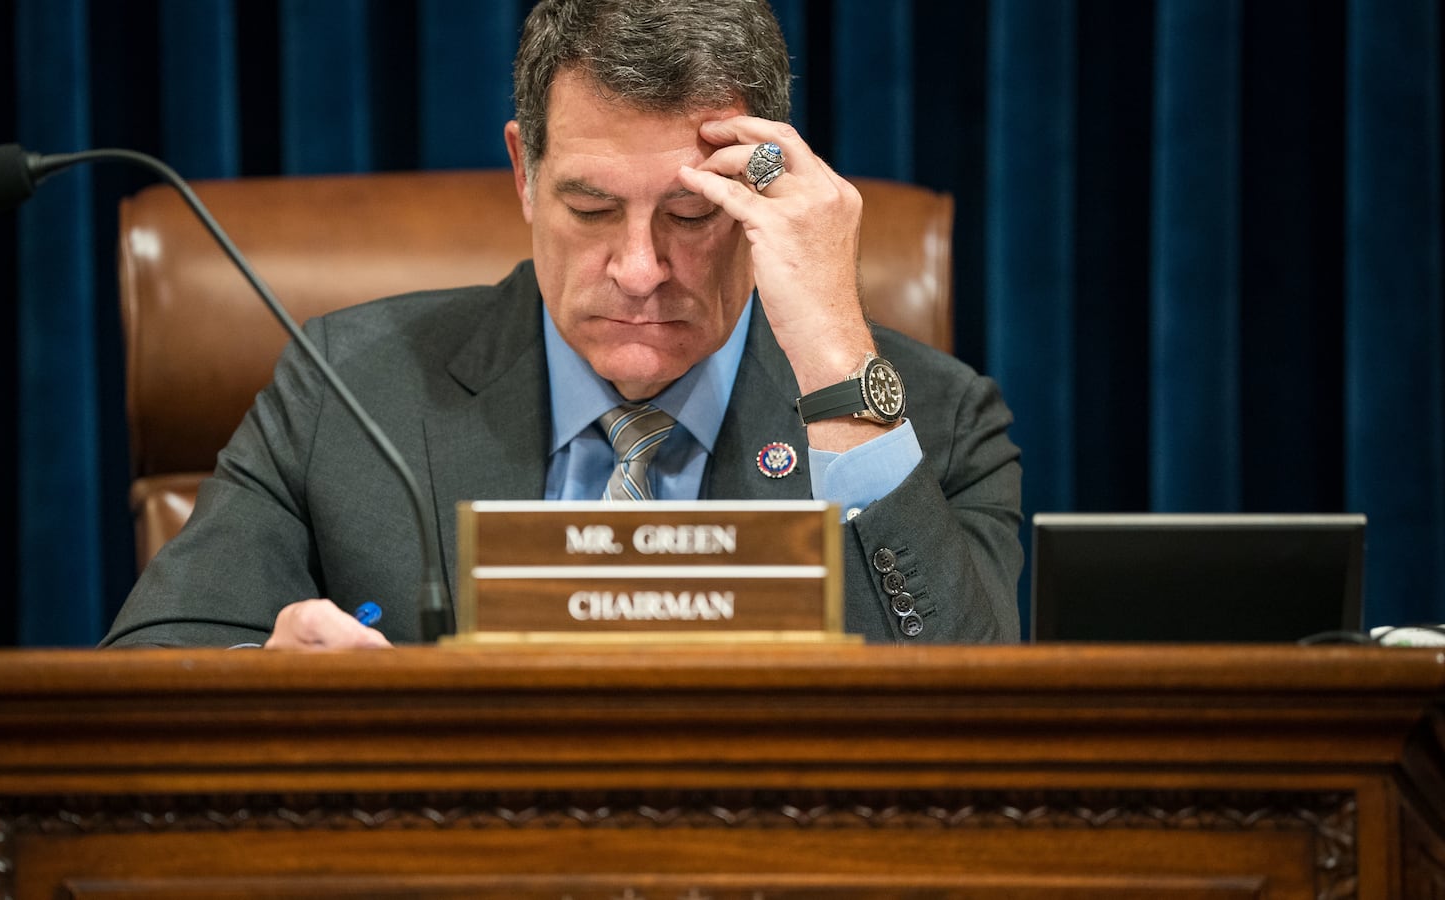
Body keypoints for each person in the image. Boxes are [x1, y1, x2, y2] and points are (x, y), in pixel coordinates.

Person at [102, 0, 1022, 649]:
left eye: (691, 215)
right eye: (589, 209)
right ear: (524, 174)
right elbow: (147, 672)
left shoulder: (934, 425)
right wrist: (264, 683)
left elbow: (975, 733)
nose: (636, 269)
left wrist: (832, 352)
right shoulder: (344, 387)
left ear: (763, 193)